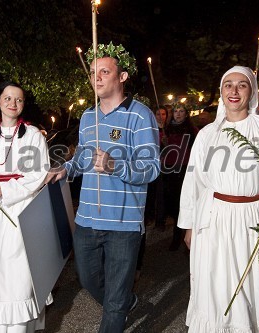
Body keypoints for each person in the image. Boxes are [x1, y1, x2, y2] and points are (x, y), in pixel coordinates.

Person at [45, 43, 160, 332]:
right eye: (93, 72)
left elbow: (152, 169)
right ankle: (126, 301)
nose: (96, 78)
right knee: (88, 279)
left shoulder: (140, 115)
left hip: (124, 223)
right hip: (87, 218)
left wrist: (115, 166)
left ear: (121, 77)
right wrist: (67, 169)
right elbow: (83, 155)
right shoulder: (87, 117)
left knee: (114, 301)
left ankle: (120, 304)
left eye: (104, 72)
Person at [178, 66, 259, 332]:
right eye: (228, 85)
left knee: (255, 286)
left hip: (257, 218)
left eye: (241, 85)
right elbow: (193, 182)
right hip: (215, 220)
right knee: (219, 288)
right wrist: (188, 226)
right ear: (221, 91)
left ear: (252, 91)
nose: (234, 91)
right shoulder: (207, 134)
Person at [0, 82, 51, 332]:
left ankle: (20, 327)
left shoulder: (33, 135)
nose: (13, 104)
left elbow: (40, 173)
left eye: (19, 100)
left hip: (22, 209)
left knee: (20, 273)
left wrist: (7, 189)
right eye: (8, 98)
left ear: (23, 104)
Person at [161, 105, 198, 250]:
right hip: (169, 169)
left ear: (187, 114)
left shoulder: (192, 130)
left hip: (184, 170)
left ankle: (179, 236)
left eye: (182, 111)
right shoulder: (167, 129)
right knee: (170, 202)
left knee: (181, 202)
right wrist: (163, 143)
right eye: (176, 111)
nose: (178, 114)